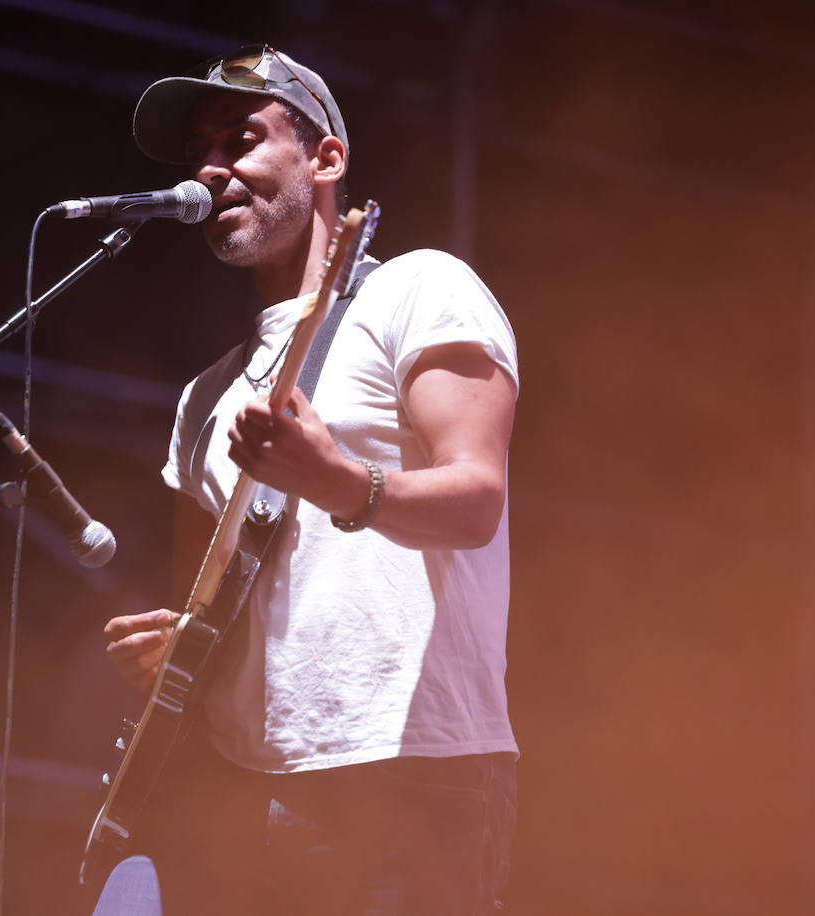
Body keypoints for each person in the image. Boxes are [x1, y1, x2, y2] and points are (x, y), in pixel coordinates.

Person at [93, 45, 519, 915]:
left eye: (241, 137)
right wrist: (177, 643)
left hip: (406, 775)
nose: (213, 169)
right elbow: (207, 606)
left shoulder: (419, 289)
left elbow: (476, 499)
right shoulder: (204, 397)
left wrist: (337, 481)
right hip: (236, 788)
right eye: (200, 154)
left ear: (325, 159)